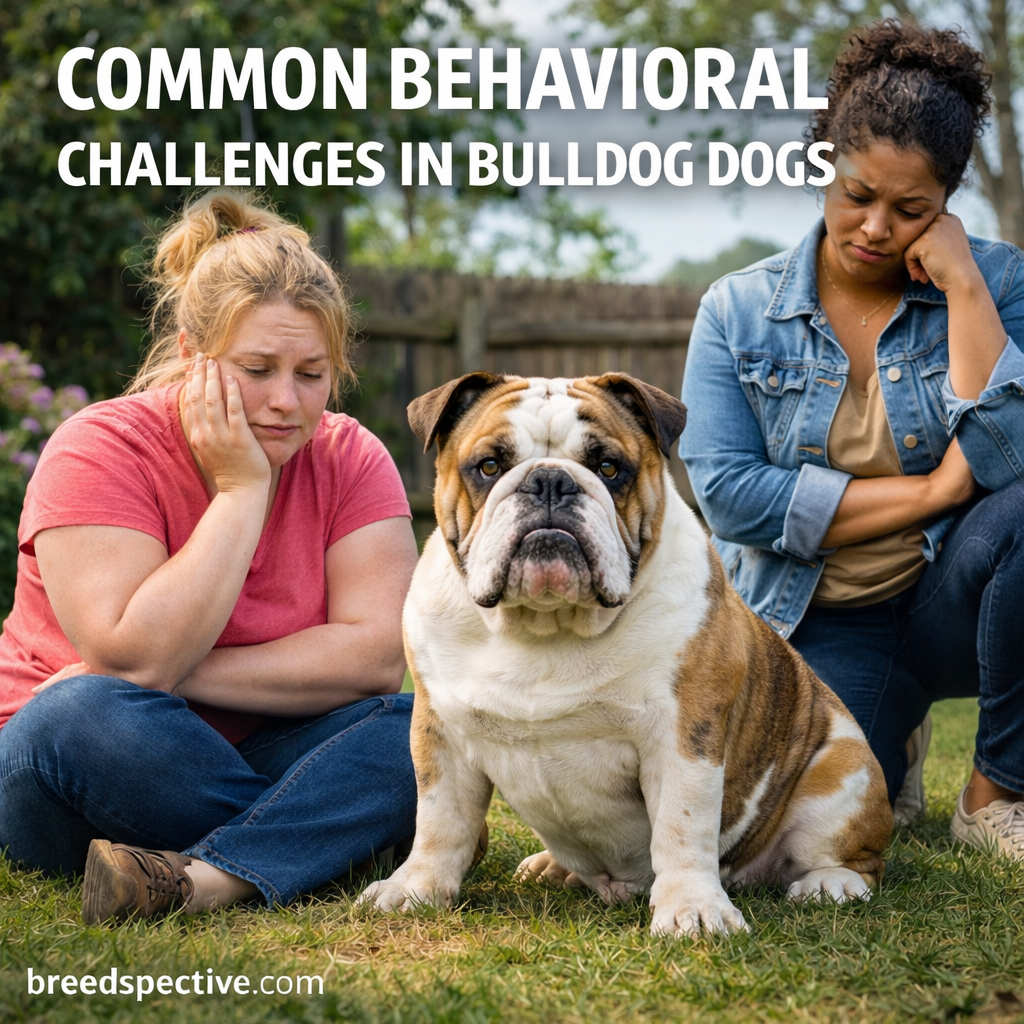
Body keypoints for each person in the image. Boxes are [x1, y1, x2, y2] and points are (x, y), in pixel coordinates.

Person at [0, 189, 423, 921]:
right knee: (79, 710)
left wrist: (181, 679)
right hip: (89, 763)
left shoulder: (350, 456)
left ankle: (204, 882)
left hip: (256, 751)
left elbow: (378, 657)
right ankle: (339, 832)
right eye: (256, 369)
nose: (287, 401)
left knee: (413, 729)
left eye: (311, 374)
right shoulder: (100, 447)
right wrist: (240, 491)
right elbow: (136, 660)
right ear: (194, 357)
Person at [680, 21, 1024, 860]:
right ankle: (895, 741)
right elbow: (729, 493)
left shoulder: (1000, 280)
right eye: (856, 194)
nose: (875, 227)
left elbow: (1011, 452)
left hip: (956, 591)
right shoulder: (737, 310)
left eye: (910, 210)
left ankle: (995, 792)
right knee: (792, 815)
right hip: (823, 615)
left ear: (946, 202)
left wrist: (965, 285)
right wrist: (935, 491)